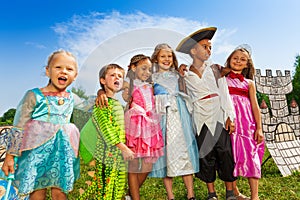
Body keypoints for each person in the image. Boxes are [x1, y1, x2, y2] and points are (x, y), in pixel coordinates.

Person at [1, 50, 80, 199]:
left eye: (69, 69)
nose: (64, 71)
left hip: (62, 151)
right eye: (58, 67)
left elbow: (91, 104)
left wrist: (102, 92)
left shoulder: (72, 98)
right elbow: (19, 126)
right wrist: (10, 156)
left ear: (75, 76)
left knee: (60, 191)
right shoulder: (34, 95)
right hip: (36, 152)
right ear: (47, 71)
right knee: (37, 189)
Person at [176, 27, 237, 200]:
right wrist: (180, 73)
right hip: (199, 117)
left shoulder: (216, 69)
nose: (209, 50)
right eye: (205, 47)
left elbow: (225, 94)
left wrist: (229, 117)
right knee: (206, 155)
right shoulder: (184, 73)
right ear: (193, 50)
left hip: (218, 114)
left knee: (225, 152)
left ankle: (230, 192)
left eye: (210, 47)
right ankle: (211, 193)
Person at [148, 43, 199, 200]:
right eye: (163, 56)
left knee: (185, 150)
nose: (167, 59)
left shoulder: (178, 75)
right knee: (166, 153)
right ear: (156, 59)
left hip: (180, 112)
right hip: (163, 114)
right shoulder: (151, 77)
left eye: (169, 56)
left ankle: (190, 193)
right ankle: (170, 195)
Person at [79, 64, 135, 200]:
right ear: (102, 80)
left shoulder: (115, 102)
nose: (117, 78)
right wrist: (123, 147)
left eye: (120, 76)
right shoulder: (101, 103)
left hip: (118, 153)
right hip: (108, 152)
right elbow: (106, 129)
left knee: (118, 186)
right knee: (106, 188)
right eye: (113, 75)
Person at [223, 44, 264, 200]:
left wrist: (259, 128)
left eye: (242, 60)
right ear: (229, 60)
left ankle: (255, 196)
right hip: (230, 123)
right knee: (231, 157)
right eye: (235, 58)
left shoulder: (249, 83)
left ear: (247, 64)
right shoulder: (222, 80)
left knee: (251, 157)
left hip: (247, 124)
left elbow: (255, 106)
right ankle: (235, 192)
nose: (238, 61)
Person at [123, 54, 164, 200]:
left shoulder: (151, 86)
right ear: (133, 68)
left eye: (149, 70)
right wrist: (100, 92)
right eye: (143, 68)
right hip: (135, 126)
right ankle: (135, 197)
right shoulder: (128, 83)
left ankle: (129, 194)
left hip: (150, 126)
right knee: (133, 165)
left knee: (148, 166)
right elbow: (111, 87)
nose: (147, 72)